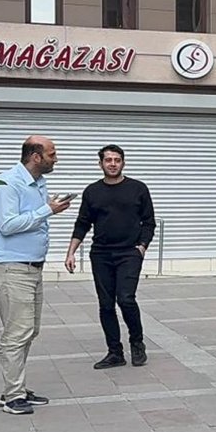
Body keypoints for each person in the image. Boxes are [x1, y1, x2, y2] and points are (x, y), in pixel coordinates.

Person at [0, 136, 70, 415]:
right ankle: (12, 396)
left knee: (29, 331)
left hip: (32, 267)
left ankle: (15, 388)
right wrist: (48, 210)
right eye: (52, 154)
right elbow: (7, 225)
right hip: (11, 267)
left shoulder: (39, 183)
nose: (55, 158)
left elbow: (32, 218)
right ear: (36, 156)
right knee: (16, 333)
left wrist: (49, 208)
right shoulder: (8, 182)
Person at [64, 144, 156, 370]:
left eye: (117, 160)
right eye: (108, 160)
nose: (112, 164)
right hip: (101, 254)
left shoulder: (138, 188)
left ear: (123, 162)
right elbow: (83, 223)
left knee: (125, 298)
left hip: (129, 252)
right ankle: (115, 352)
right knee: (106, 304)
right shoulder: (92, 191)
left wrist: (142, 246)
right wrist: (71, 251)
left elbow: (149, 222)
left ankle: (137, 343)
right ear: (100, 164)